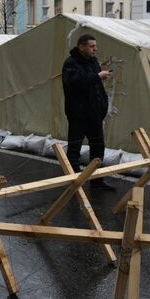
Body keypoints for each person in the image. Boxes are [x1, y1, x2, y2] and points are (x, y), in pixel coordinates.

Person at [62, 33, 115, 190]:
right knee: (74, 149)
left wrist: (102, 108)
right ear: (81, 47)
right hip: (78, 114)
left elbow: (97, 88)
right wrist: (97, 76)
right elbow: (76, 83)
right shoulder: (70, 63)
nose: (95, 49)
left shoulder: (93, 62)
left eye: (95, 46)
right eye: (92, 46)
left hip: (94, 115)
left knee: (98, 147)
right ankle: (73, 181)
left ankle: (97, 180)